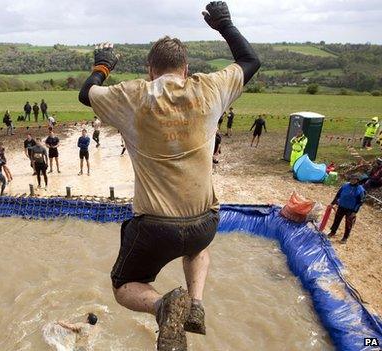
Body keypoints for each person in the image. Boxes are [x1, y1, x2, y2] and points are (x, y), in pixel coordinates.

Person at [77, 2, 260, 349]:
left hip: (154, 226)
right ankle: (196, 304)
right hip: (205, 221)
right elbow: (251, 61)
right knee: (198, 247)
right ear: (186, 69)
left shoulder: (132, 95)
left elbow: (86, 94)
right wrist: (225, 25)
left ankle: (164, 306)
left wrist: (102, 66)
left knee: (123, 284)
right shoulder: (210, 88)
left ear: (150, 70)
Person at [328, 174, 366, 244]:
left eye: (354, 179)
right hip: (341, 206)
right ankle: (332, 232)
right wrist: (332, 203)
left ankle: (345, 237)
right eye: (351, 179)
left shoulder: (360, 190)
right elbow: (338, 195)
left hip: (351, 210)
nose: (352, 181)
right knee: (337, 220)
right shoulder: (345, 186)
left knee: (348, 224)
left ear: (357, 181)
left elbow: (360, 202)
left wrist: (355, 211)